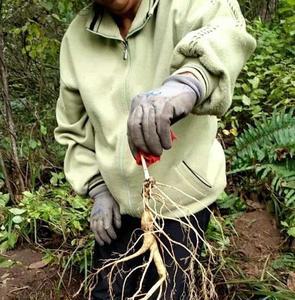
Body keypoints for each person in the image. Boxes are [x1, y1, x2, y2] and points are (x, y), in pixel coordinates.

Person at [54, 0, 256, 299]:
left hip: (180, 200)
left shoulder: (188, 4)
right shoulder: (77, 38)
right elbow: (73, 128)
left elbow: (225, 36)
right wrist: (97, 188)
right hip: (117, 204)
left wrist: (187, 84)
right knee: (107, 291)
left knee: (169, 289)